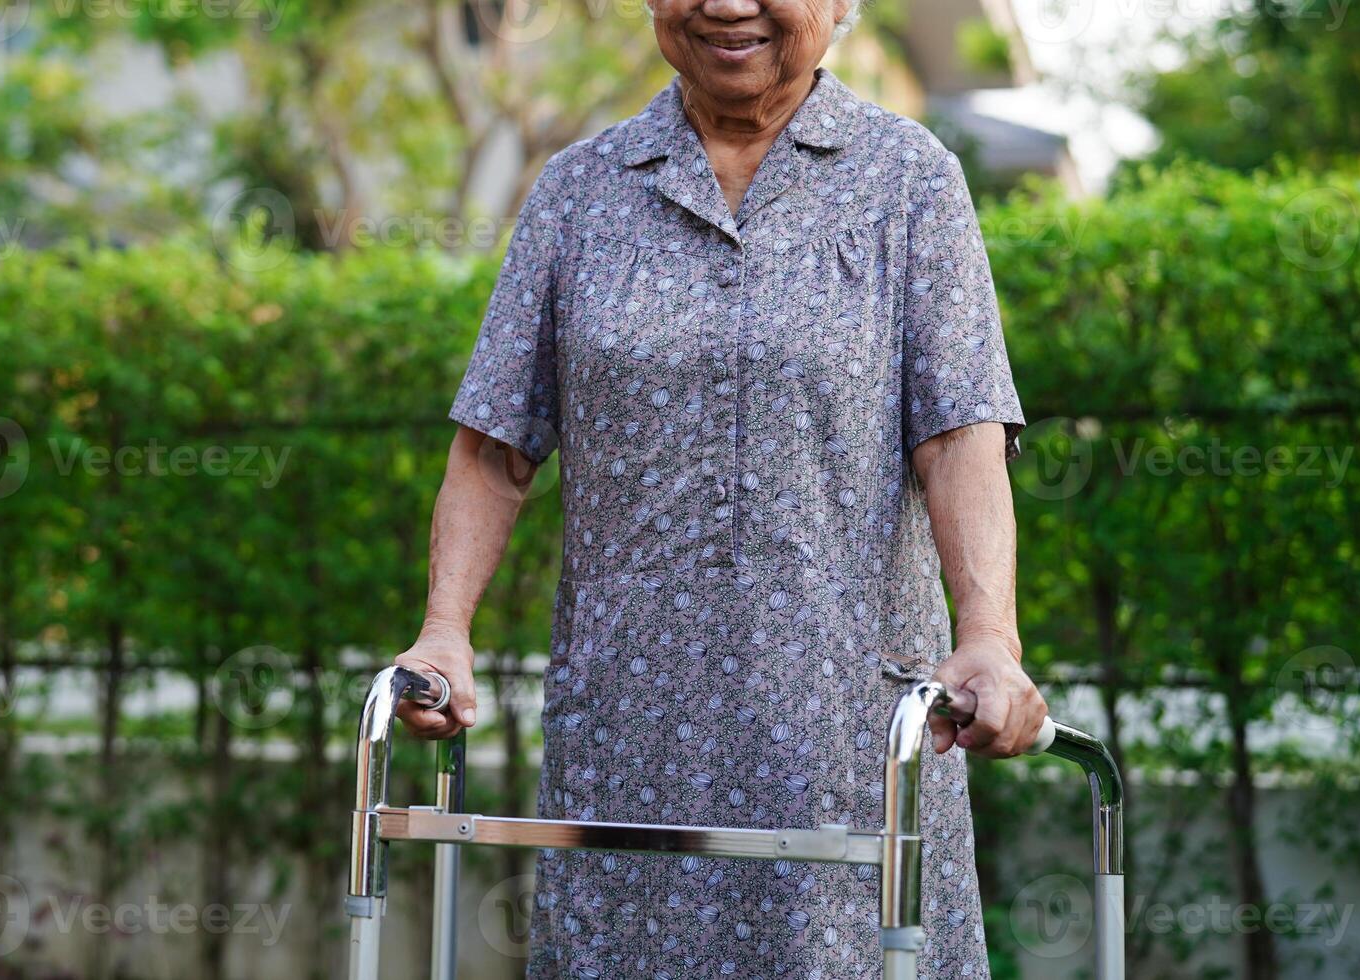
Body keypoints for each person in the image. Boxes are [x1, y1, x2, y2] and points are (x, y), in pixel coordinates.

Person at [392, 0, 1046, 974]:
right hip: (628, 743)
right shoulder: (580, 187)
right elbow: (494, 444)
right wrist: (447, 624)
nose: (729, 5)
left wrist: (990, 636)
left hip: (843, 741)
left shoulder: (909, 181)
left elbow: (960, 437)